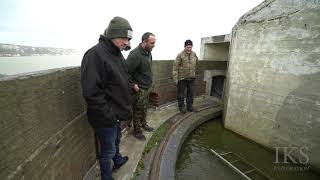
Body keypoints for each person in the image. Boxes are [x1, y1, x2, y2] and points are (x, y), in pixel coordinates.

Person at [81, 16, 133, 180]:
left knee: (116, 141)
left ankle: (117, 161)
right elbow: (91, 93)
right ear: (113, 35)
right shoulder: (94, 55)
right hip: (106, 117)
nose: (127, 43)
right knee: (108, 149)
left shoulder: (116, 54)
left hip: (116, 113)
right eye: (125, 38)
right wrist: (109, 115)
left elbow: (122, 77)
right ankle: (106, 176)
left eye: (129, 39)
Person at [126, 32, 156, 140]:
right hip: (139, 89)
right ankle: (137, 131)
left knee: (144, 108)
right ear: (144, 42)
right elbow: (125, 72)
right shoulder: (134, 55)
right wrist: (133, 85)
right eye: (152, 43)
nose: (154, 45)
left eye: (154, 43)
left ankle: (144, 124)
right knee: (137, 110)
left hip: (147, 87)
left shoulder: (148, 52)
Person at [172, 39, 199, 113]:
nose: (189, 49)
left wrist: (193, 72)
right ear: (185, 47)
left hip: (192, 78)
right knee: (181, 94)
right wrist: (175, 80)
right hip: (182, 78)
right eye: (187, 47)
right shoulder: (180, 55)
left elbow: (197, 63)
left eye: (190, 47)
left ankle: (190, 107)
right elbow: (175, 67)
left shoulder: (194, 54)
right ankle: (182, 107)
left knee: (191, 94)